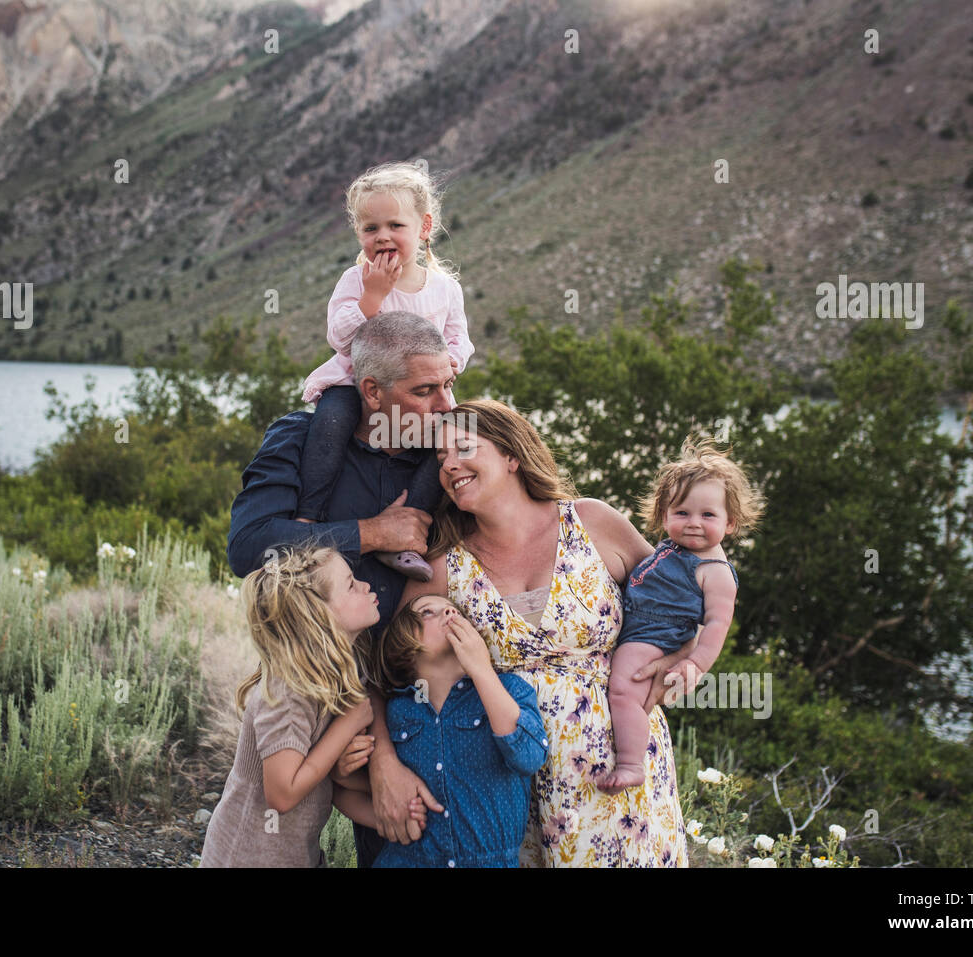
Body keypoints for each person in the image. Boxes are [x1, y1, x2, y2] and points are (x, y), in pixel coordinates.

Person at [392, 399, 691, 867]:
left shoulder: (593, 523)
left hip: (617, 765)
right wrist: (383, 766)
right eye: (440, 458)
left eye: (464, 448)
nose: (449, 465)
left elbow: (679, 600)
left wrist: (687, 657)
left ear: (513, 456)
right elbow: (386, 670)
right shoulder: (442, 568)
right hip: (504, 779)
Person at [226, 311, 457, 866]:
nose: (446, 405)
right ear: (371, 391)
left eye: (449, 385)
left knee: (413, 839)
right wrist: (373, 533)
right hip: (318, 685)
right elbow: (249, 546)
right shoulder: (302, 440)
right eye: (426, 391)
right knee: (280, 835)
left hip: (416, 688)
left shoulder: (449, 458)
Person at [296, 162, 473, 583]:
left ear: (424, 227)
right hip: (354, 381)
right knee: (331, 421)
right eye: (370, 228)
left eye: (396, 224)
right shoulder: (356, 280)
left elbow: (461, 339)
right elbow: (339, 338)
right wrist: (372, 296)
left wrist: (452, 361)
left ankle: (412, 528)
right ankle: (308, 520)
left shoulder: (444, 288)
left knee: (455, 437)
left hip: (420, 391)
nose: (382, 236)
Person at [199, 543, 424, 867]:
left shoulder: (337, 678)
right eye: (350, 584)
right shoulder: (287, 691)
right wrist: (349, 723)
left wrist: (395, 817)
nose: (365, 586)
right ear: (320, 617)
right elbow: (283, 793)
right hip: (246, 858)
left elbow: (329, 783)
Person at [600, 438, 764, 795]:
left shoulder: (715, 571)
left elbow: (717, 625)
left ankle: (630, 763)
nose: (693, 523)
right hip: (639, 625)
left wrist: (697, 665)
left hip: (655, 638)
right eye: (682, 513)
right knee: (625, 690)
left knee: (624, 691)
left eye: (708, 515)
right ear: (664, 516)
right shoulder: (671, 547)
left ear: (730, 522)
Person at [356, 594, 547, 867]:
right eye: (427, 612)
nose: (447, 611)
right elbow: (357, 788)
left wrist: (481, 669)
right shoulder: (396, 711)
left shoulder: (508, 689)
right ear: (403, 646)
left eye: (452, 610)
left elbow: (528, 756)